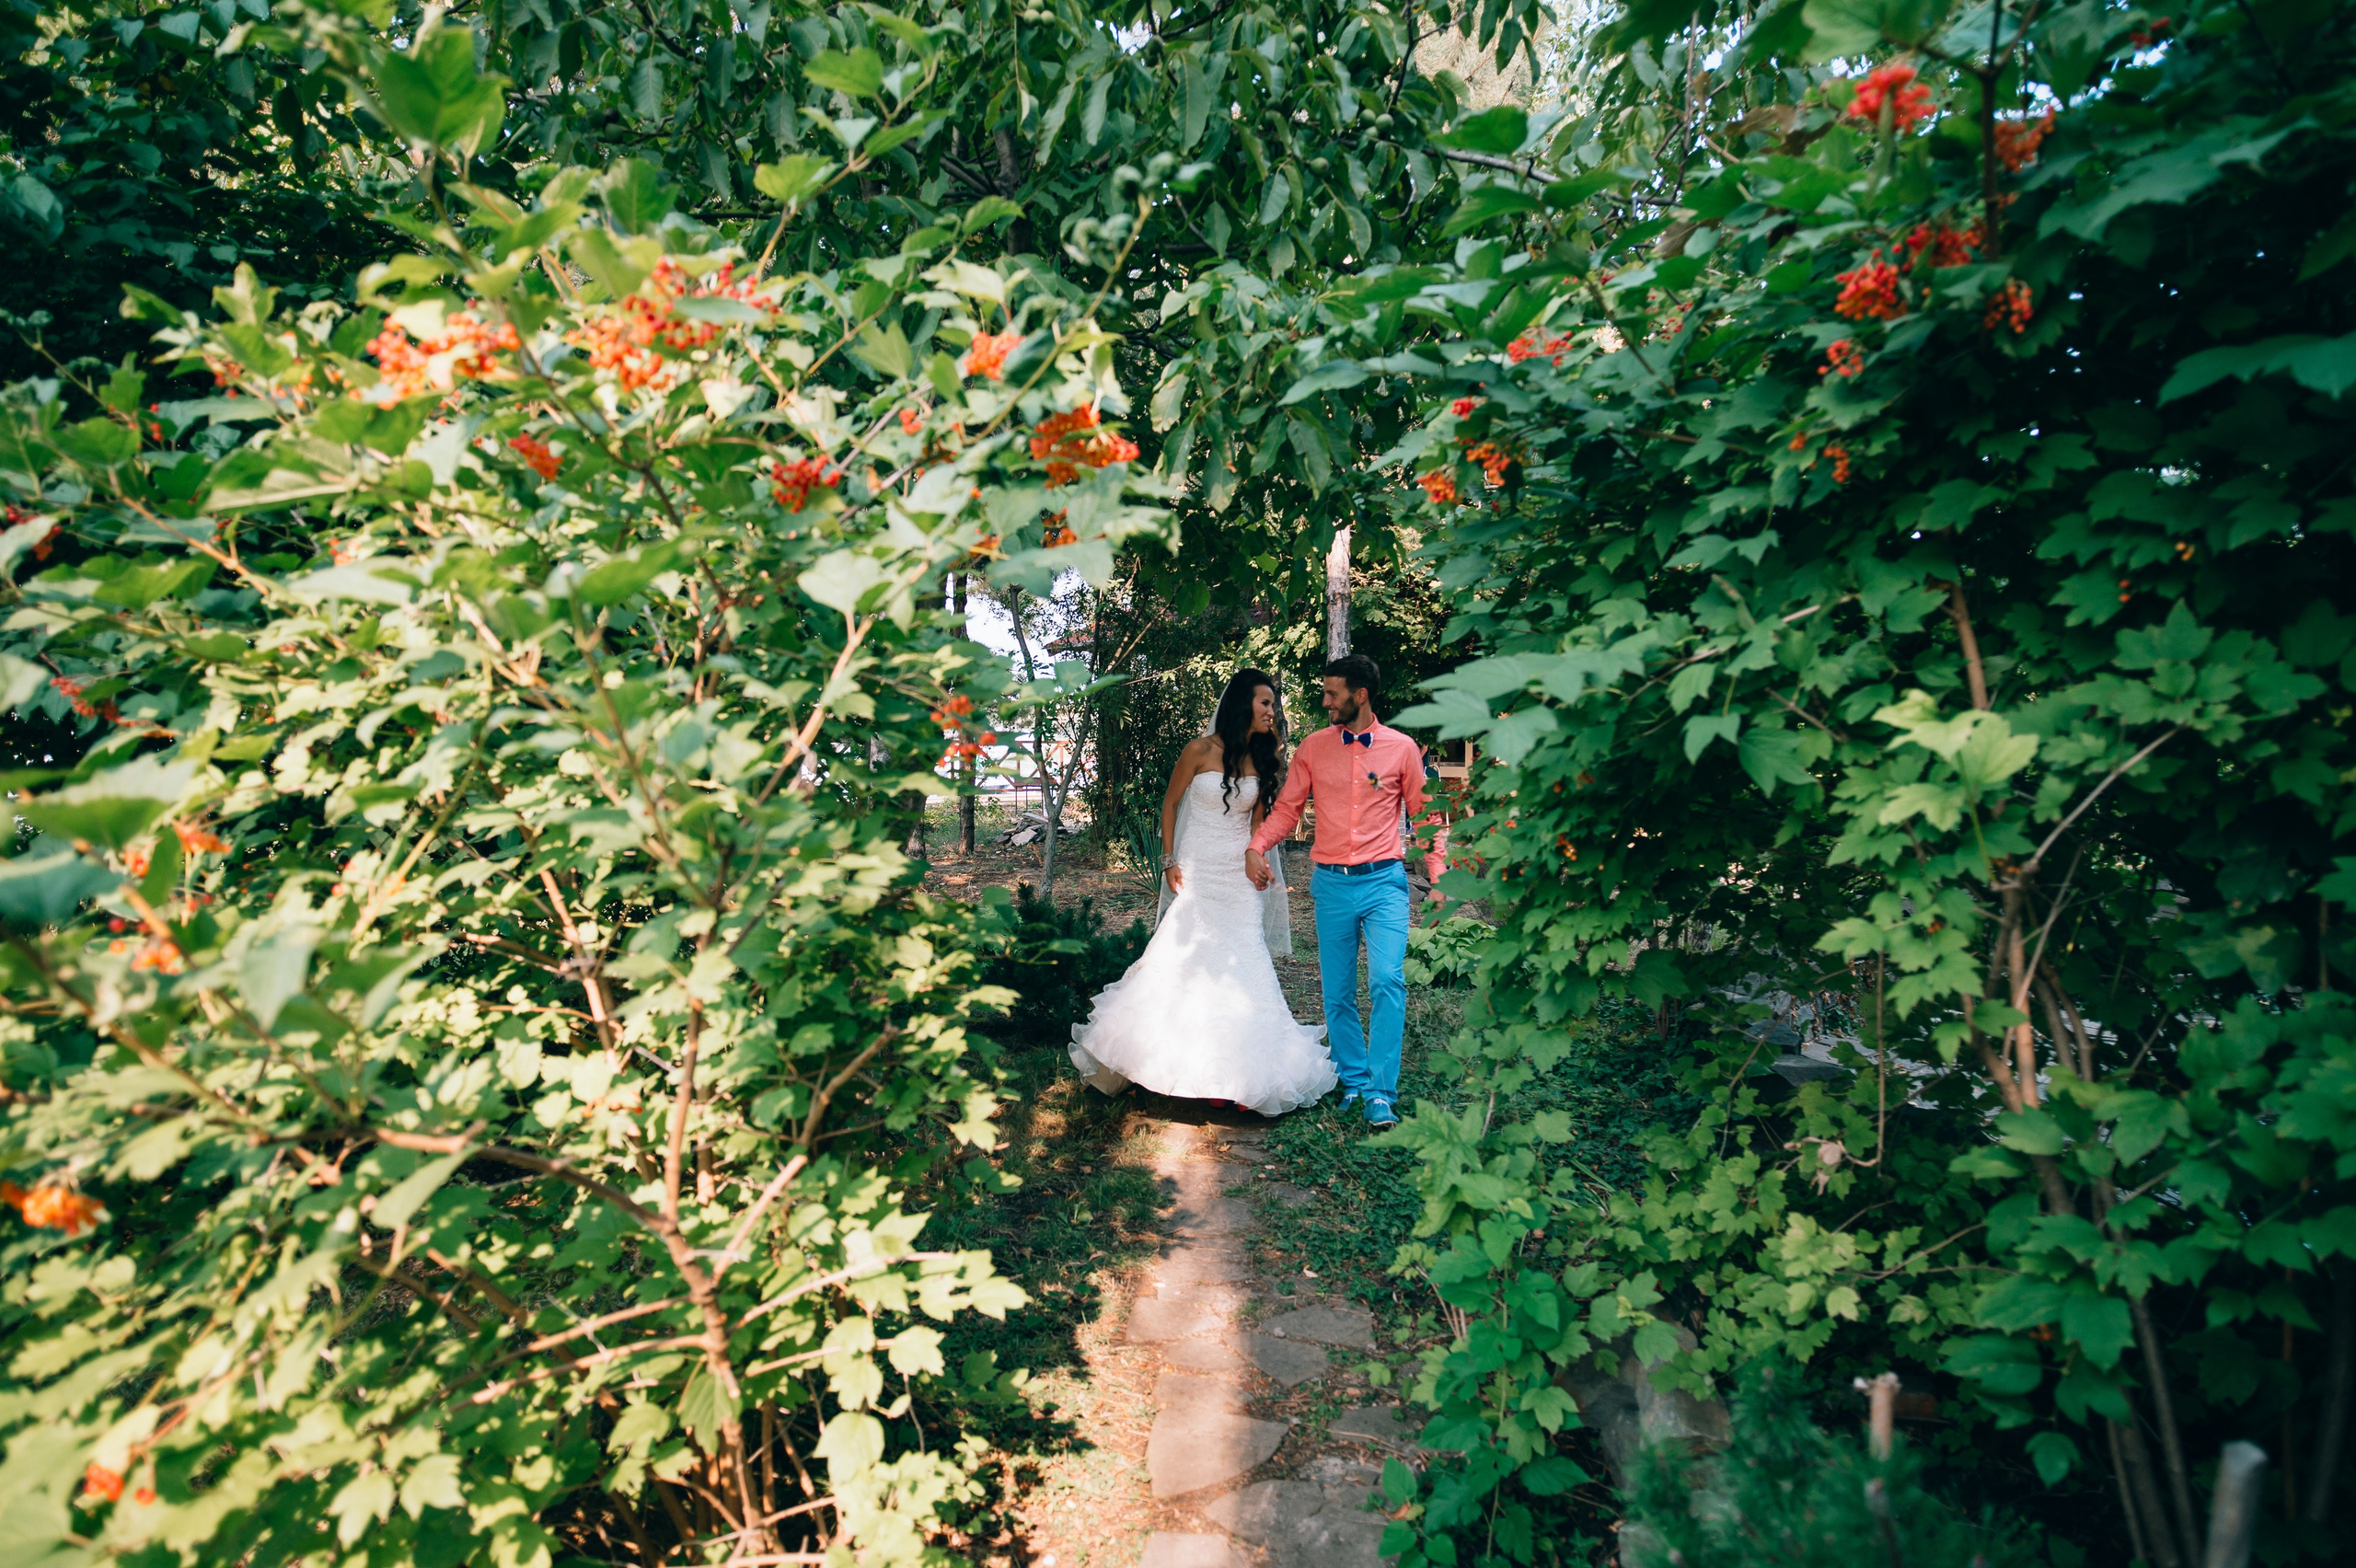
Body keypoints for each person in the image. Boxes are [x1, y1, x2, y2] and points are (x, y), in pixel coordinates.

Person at [1067, 669, 1337, 1115]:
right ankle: (1160, 1065)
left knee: (1245, 956)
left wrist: (1261, 862)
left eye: (1274, 705)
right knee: (1180, 956)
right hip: (1195, 869)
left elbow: (1258, 822)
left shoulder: (1264, 758)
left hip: (1239, 874)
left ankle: (1244, 1076)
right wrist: (1168, 861)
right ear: (1242, 704)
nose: (1273, 712)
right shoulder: (1198, 750)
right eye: (1266, 703)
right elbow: (1170, 804)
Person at [1246, 654, 1423, 1129]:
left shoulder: (1403, 749)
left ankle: (1382, 1091)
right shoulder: (1313, 748)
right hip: (1332, 885)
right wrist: (1258, 845)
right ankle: (1356, 1080)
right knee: (1338, 991)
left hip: (1385, 881)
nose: (1324, 701)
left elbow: (1425, 817)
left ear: (1359, 695)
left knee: (1388, 980)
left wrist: (1443, 878)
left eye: (1332, 694)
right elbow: (1286, 808)